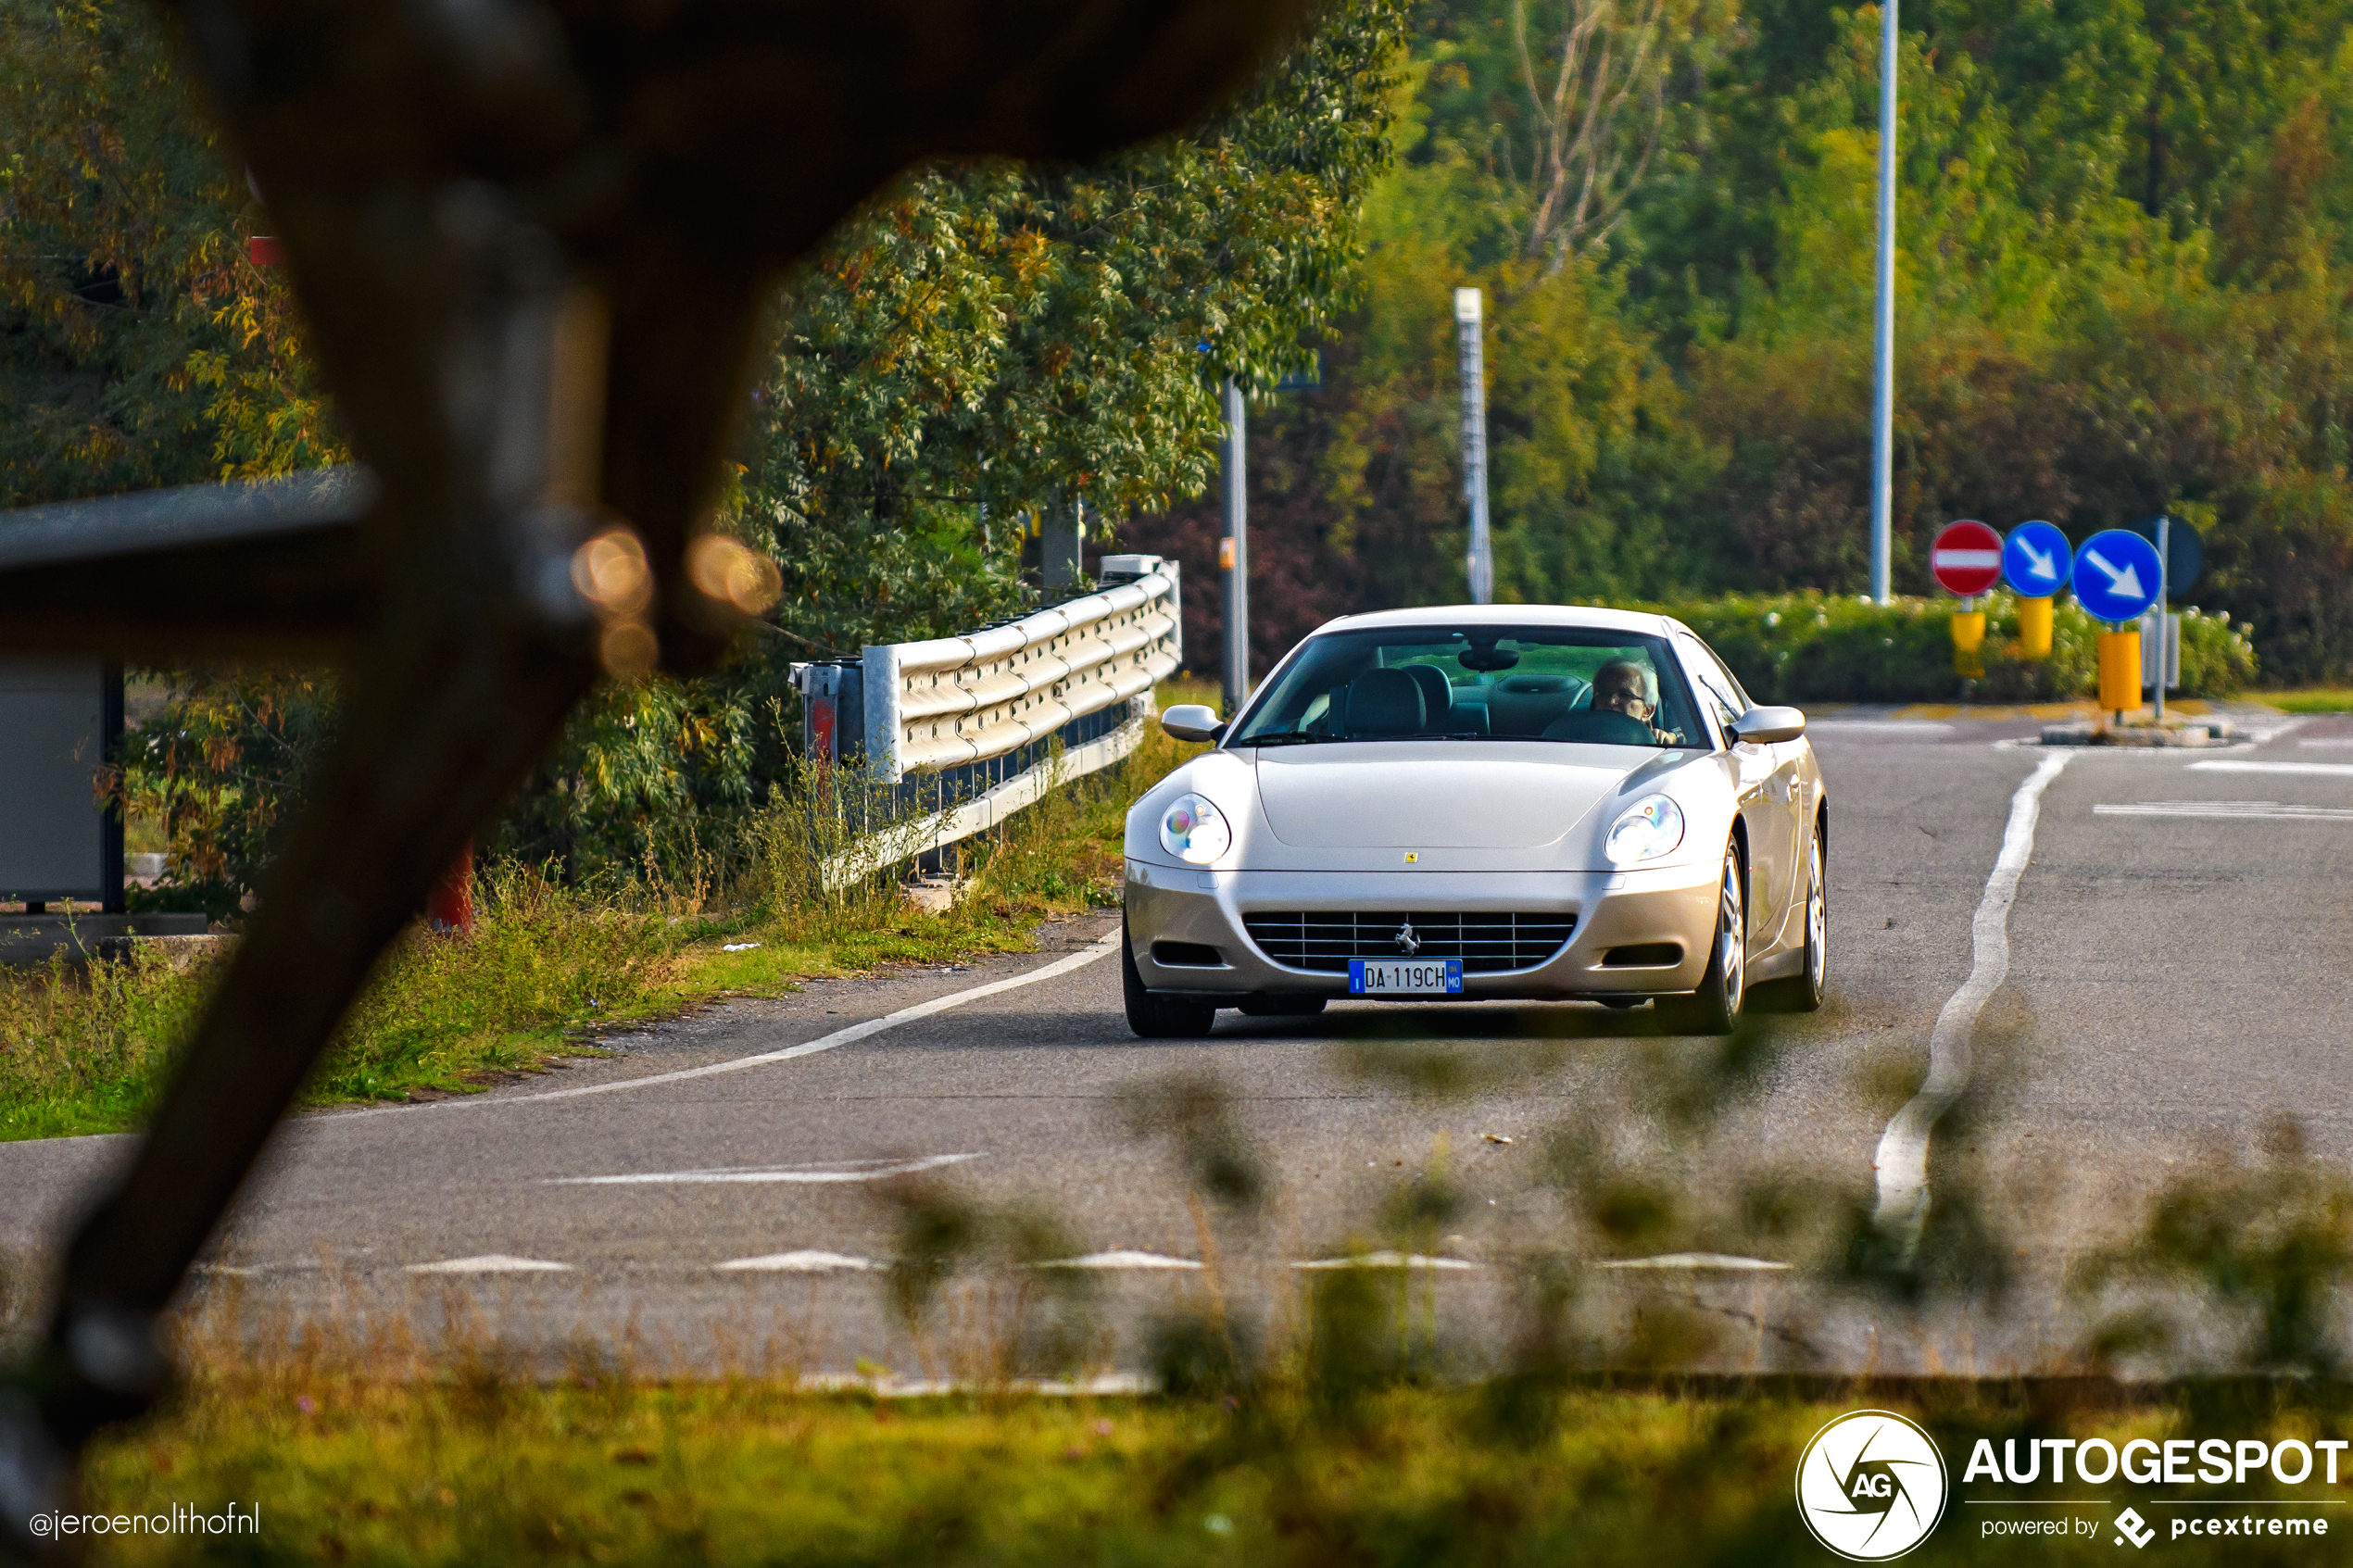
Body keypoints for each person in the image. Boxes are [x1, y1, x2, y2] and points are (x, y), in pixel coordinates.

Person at [1592, 659, 1684, 745]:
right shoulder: (1578, 735)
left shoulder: (1656, 752)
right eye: (1603, 693)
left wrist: (1674, 738)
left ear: (1647, 711)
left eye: (1624, 695)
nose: (1611, 701)